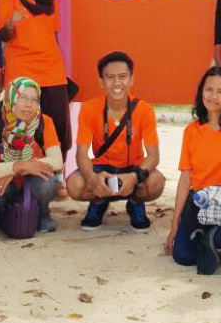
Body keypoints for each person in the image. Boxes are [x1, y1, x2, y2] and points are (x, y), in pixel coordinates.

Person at [0, 0, 72, 192]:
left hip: (52, 70)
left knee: (58, 126)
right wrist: (11, 22)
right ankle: (20, 179)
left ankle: (57, 177)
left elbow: (53, 36)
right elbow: (3, 35)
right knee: (20, 127)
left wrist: (61, 69)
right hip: (22, 69)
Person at [165, 67, 221, 274]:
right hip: (198, 202)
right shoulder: (191, 131)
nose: (213, 96)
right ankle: (205, 238)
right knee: (183, 257)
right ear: (201, 91)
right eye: (209, 89)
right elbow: (185, 179)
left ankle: (214, 238)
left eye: (220, 91)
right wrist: (175, 224)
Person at [67, 51, 165, 232]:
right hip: (102, 169)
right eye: (110, 77)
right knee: (74, 185)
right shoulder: (89, 108)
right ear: (101, 81)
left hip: (133, 168)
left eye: (122, 77)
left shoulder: (144, 109)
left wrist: (135, 176)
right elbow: (81, 153)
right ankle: (98, 201)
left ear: (131, 79)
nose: (117, 83)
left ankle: (135, 203)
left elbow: (153, 156)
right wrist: (93, 179)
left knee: (156, 181)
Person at [0, 77, 63, 233]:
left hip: (32, 179)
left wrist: (18, 169)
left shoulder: (44, 121)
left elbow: (57, 161)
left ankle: (42, 213)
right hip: (1, 182)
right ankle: (5, 215)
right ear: (10, 97)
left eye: (34, 100)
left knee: (47, 183)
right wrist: (15, 168)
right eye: (22, 98)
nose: (28, 105)